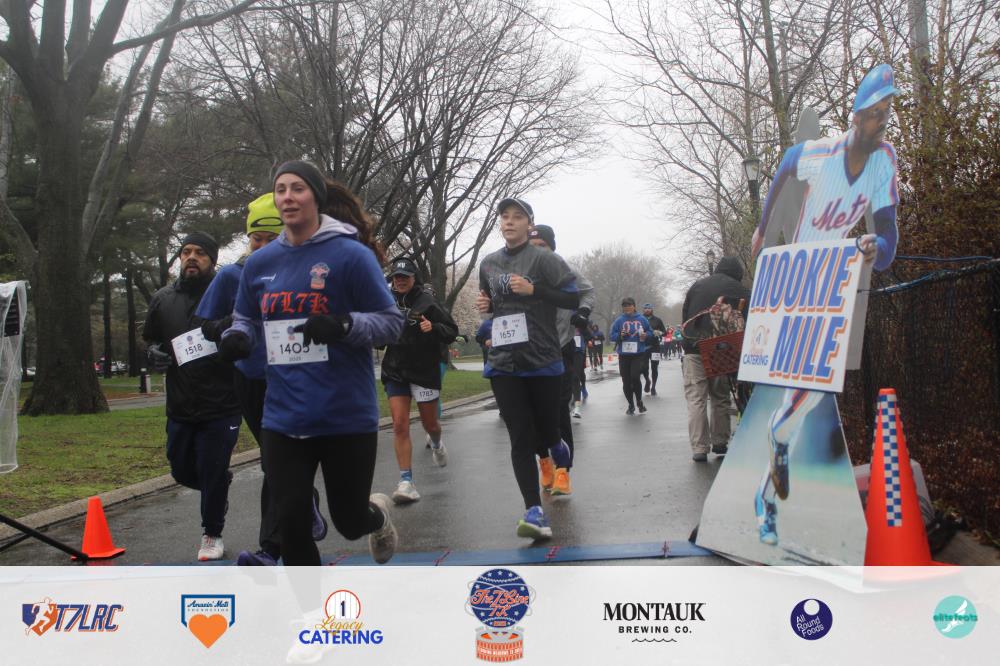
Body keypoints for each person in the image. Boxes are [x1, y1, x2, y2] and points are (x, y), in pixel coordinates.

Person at [220, 161, 404, 566]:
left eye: (298, 188)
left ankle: (377, 518)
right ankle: (307, 605)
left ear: (316, 197)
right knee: (291, 524)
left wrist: (343, 325)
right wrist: (239, 337)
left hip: (344, 415)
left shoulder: (351, 256)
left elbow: (392, 324)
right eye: (281, 189)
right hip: (283, 416)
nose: (288, 197)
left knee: (349, 521)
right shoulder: (260, 263)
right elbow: (245, 317)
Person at [751, 64, 901, 546]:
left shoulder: (883, 161)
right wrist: (762, 228)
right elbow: (786, 164)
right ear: (856, 115)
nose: (882, 121)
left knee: (810, 394)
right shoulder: (823, 152)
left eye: (887, 112)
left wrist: (880, 247)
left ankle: (768, 484)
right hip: (798, 277)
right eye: (874, 112)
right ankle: (769, 483)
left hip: (833, 281)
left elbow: (887, 231)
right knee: (803, 389)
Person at [194, 194, 329, 566]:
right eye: (258, 238)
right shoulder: (232, 275)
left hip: (297, 377)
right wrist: (234, 326)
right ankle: (305, 504)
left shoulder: (310, 271)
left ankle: (271, 549)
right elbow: (206, 326)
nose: (264, 246)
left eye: (273, 238)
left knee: (278, 460)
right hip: (251, 379)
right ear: (248, 238)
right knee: (275, 461)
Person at [478, 198, 579, 539]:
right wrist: (485, 304)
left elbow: (572, 298)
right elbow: (489, 302)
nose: (509, 221)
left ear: (528, 223)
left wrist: (535, 289)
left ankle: (556, 444)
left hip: (542, 359)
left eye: (516, 217)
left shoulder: (545, 259)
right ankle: (534, 511)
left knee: (548, 430)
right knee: (520, 435)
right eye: (504, 216)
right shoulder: (489, 263)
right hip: (504, 361)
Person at [142, 231, 242, 561]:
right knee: (181, 470)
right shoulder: (163, 299)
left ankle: (212, 533)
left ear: (212, 260)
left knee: (213, 467)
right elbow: (151, 339)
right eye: (186, 252)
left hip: (223, 402)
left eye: (200, 252)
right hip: (181, 403)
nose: (192, 258)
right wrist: (153, 353)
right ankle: (217, 485)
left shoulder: (228, 294)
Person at [381, 255, 459, 503]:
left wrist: (433, 328)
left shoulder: (427, 301)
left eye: (405, 277)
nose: (400, 281)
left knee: (430, 424)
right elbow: (378, 335)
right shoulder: (385, 300)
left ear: (414, 278)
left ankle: (436, 443)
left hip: (424, 371)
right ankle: (406, 482)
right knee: (399, 424)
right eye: (396, 277)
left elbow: (451, 331)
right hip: (395, 370)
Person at [527, 224, 594, 481]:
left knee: (557, 411)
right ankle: (544, 462)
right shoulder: (520, 271)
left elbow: (587, 291)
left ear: (552, 248)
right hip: (529, 352)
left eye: (542, 246)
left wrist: (583, 311)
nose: (537, 251)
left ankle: (563, 470)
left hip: (560, 347)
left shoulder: (565, 270)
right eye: (532, 247)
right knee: (533, 415)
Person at [680, 256, 751, 462]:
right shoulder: (741, 290)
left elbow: (685, 317)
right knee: (720, 397)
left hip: (694, 348)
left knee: (696, 399)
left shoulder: (697, 286)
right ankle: (720, 442)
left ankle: (699, 448)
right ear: (737, 274)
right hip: (721, 350)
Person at [609, 297, 653, 415]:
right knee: (626, 381)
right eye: (624, 306)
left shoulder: (642, 319)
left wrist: (645, 335)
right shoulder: (619, 320)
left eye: (629, 305)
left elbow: (650, 332)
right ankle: (631, 404)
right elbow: (612, 336)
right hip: (624, 355)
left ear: (634, 306)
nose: (627, 308)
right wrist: (620, 335)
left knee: (635, 377)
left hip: (638, 354)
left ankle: (639, 401)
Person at [641, 304, 667, 395]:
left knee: (654, 367)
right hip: (643, 346)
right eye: (645, 308)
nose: (647, 310)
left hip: (655, 347)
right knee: (644, 367)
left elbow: (665, 333)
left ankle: (653, 387)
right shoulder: (640, 319)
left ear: (652, 310)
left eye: (649, 308)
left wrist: (659, 332)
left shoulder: (657, 320)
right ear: (643, 310)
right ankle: (647, 380)